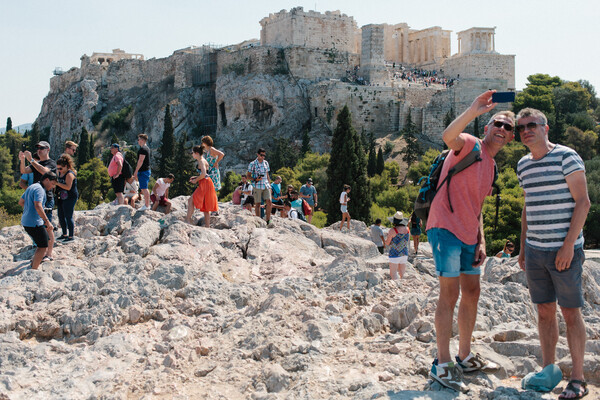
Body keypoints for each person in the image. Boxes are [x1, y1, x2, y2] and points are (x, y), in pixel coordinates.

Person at [426, 91, 514, 392]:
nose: (501, 129)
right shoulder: (469, 144)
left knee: (472, 292)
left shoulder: (492, 167)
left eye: (508, 127)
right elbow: (447, 135)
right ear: (487, 129)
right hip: (444, 228)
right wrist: (474, 110)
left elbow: (478, 207)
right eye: (497, 124)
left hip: (468, 235)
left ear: (511, 138)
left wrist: (482, 241)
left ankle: (464, 356)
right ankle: (442, 362)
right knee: (449, 295)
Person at [516, 108, 591, 400]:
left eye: (532, 125)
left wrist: (568, 245)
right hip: (535, 250)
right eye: (522, 127)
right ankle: (548, 371)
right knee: (544, 312)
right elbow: (527, 207)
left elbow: (583, 202)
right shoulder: (523, 164)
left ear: (545, 128)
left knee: (571, 313)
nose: (526, 130)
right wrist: (523, 247)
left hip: (565, 250)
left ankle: (578, 379)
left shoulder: (567, 156)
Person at [19, 141, 57, 262]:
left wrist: (32, 160)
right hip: (36, 195)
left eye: (42, 148)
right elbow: (24, 171)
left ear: (48, 150)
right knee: (39, 225)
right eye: (38, 148)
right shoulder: (37, 163)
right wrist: (22, 159)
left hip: (47, 198)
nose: (39, 150)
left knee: (47, 225)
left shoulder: (51, 163)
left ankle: (49, 254)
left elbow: (45, 172)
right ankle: (41, 250)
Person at [19, 172, 57, 269]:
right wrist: (47, 221)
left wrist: (31, 210)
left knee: (42, 243)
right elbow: (38, 205)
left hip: (26, 221)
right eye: (53, 184)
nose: (53, 187)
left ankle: (33, 264)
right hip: (34, 222)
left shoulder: (32, 186)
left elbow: (21, 202)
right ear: (47, 180)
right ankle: (34, 269)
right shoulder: (40, 189)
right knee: (43, 246)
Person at [186, 145, 218, 227]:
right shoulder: (203, 160)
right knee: (206, 206)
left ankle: (188, 221)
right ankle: (207, 226)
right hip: (207, 183)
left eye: (192, 153)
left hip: (205, 183)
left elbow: (203, 174)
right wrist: (196, 177)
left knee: (190, 200)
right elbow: (205, 174)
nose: (192, 155)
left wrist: (196, 180)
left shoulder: (201, 161)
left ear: (196, 153)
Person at [55, 155, 78, 242]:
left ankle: (71, 236)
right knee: (61, 215)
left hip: (70, 196)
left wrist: (57, 183)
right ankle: (64, 234)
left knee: (68, 216)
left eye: (60, 168)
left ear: (66, 166)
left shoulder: (69, 174)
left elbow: (68, 187)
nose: (59, 170)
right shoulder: (60, 173)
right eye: (58, 169)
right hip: (62, 196)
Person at [248, 148, 272, 223]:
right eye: (261, 155)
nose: (263, 157)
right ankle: (258, 221)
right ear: (258, 154)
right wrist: (255, 179)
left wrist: (270, 185)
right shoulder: (252, 164)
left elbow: (267, 175)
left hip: (265, 184)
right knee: (258, 203)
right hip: (257, 185)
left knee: (269, 202)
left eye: (264, 155)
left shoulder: (266, 163)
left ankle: (268, 219)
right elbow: (248, 176)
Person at [385, 212, 410, 279]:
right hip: (404, 253)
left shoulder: (393, 230)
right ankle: (403, 286)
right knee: (402, 273)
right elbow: (407, 241)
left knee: (393, 274)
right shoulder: (407, 229)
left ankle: (397, 287)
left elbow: (387, 243)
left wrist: (385, 241)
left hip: (394, 254)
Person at [133, 133, 151, 211]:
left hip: (143, 171)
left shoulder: (143, 149)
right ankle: (147, 204)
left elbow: (140, 160)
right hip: (145, 170)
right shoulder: (146, 148)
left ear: (142, 140)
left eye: (139, 139)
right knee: (144, 188)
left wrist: (136, 171)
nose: (138, 141)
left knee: (144, 188)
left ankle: (147, 205)